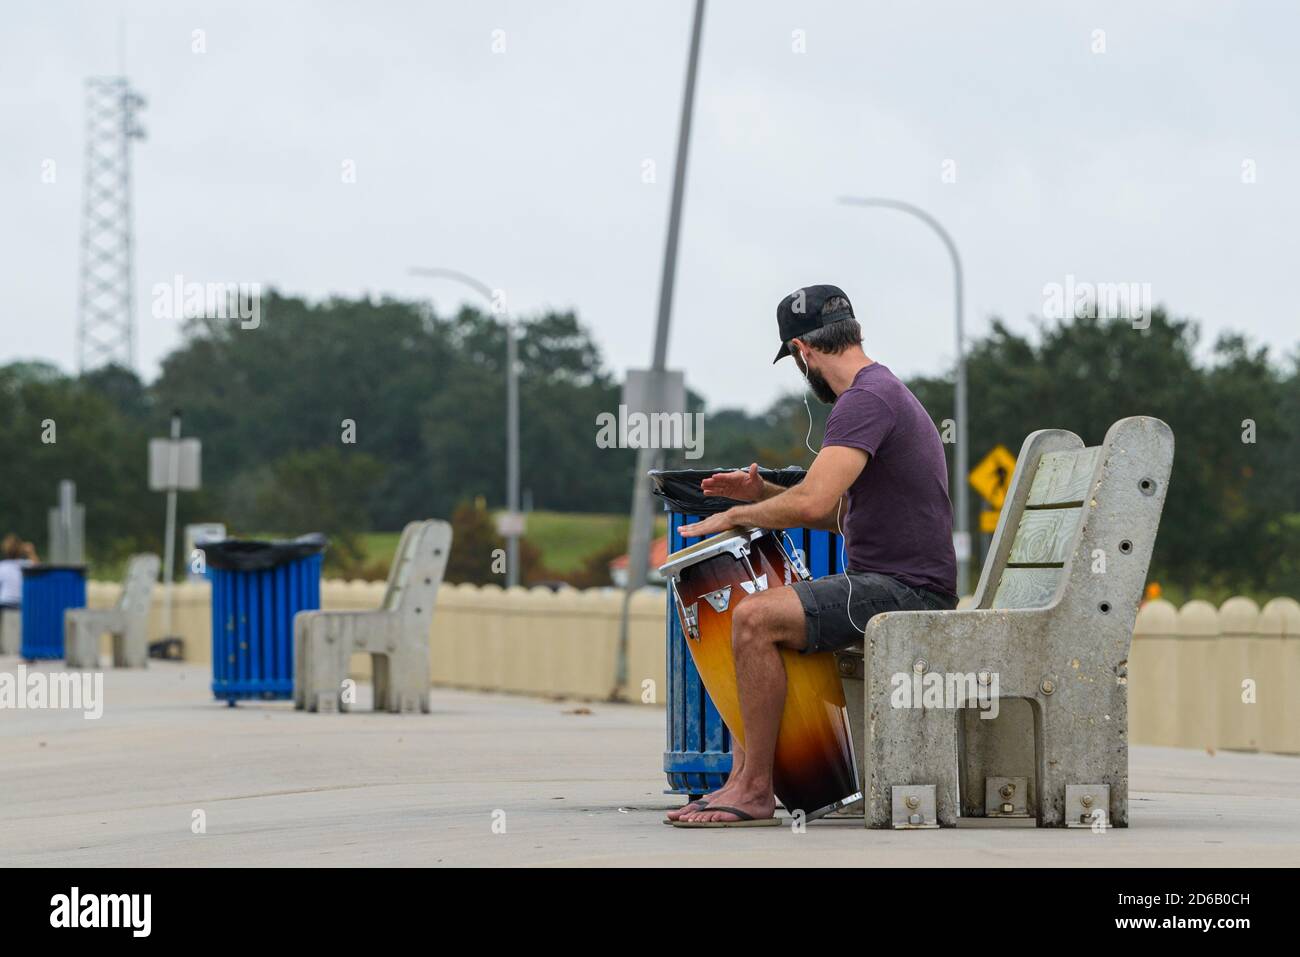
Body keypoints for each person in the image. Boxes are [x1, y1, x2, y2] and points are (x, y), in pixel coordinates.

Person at [668, 284, 958, 827]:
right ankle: (741, 779)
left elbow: (817, 499)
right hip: (898, 584)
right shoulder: (880, 391)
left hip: (908, 592)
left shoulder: (864, 401)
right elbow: (836, 513)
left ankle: (755, 789)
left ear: (802, 350)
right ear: (853, 332)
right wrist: (761, 497)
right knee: (754, 614)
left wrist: (733, 517)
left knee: (755, 617)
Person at [0, 534, 32, 609]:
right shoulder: (26, 564)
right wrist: (31, 552)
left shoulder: (2, 566)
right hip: (22, 602)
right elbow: (38, 569)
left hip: (5, 602)